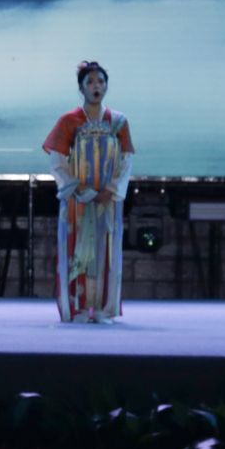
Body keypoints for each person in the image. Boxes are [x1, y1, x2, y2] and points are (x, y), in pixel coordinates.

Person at [43, 60, 135, 325]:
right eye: (90, 82)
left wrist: (111, 189)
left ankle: (103, 308)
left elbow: (126, 159)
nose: (96, 86)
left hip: (108, 199)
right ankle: (79, 307)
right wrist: (76, 187)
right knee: (78, 248)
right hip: (78, 199)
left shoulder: (118, 122)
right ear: (81, 88)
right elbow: (57, 160)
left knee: (106, 248)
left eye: (101, 81)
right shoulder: (69, 121)